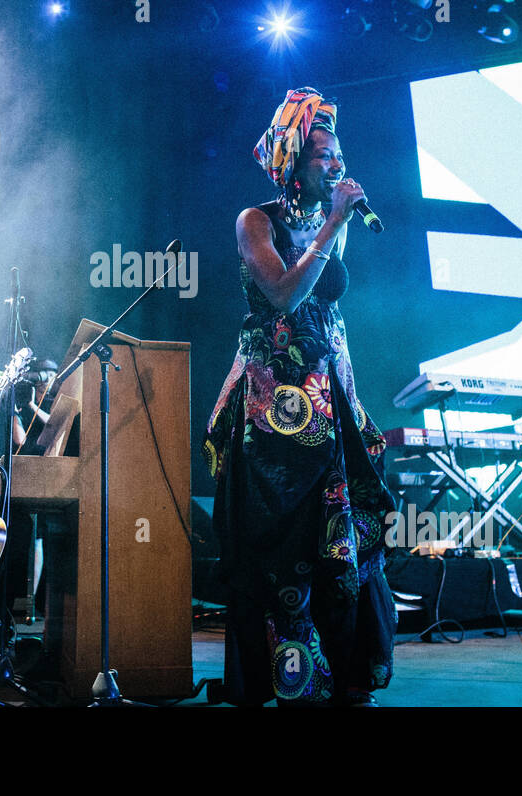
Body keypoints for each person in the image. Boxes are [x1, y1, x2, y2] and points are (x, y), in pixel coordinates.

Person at [204, 87, 396, 706]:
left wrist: (335, 223)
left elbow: (326, 297)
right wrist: (335, 221)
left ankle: (344, 676)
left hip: (328, 392)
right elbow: (285, 295)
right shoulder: (254, 220)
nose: (336, 166)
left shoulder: (328, 220)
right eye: (323, 157)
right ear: (291, 160)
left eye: (339, 156)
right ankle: (280, 680)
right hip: (274, 406)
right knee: (279, 544)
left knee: (336, 540)